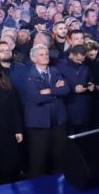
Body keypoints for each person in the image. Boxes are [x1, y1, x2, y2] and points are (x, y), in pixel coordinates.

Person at [21, 44, 70, 177]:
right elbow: (36, 97)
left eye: (46, 54)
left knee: (59, 155)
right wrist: (56, 92)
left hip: (57, 121)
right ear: (34, 58)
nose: (46, 57)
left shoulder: (54, 71)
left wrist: (49, 91)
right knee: (39, 159)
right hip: (39, 123)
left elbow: (66, 89)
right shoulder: (28, 74)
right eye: (41, 55)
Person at [58, 45, 95, 133]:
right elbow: (58, 87)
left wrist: (91, 84)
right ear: (71, 54)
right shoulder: (61, 67)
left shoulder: (86, 66)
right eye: (78, 60)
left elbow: (91, 79)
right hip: (69, 108)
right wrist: (73, 89)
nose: (80, 62)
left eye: (82, 60)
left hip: (85, 108)